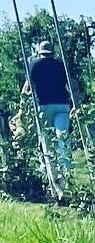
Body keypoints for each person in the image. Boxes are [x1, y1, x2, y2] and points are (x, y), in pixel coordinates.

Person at [23, 41, 74, 178]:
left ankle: (48, 172)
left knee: (46, 140)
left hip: (43, 107)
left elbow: (26, 89)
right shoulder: (61, 65)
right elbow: (71, 85)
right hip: (62, 105)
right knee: (62, 138)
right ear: (52, 52)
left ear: (39, 52)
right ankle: (66, 172)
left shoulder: (34, 65)